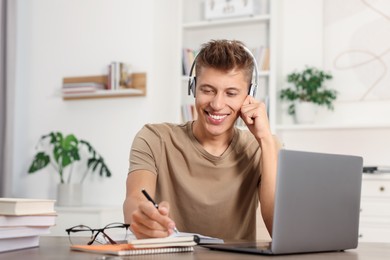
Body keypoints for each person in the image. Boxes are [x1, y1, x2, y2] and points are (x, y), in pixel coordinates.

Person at [123, 39, 279, 241]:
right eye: (207, 90)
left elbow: (279, 228)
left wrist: (265, 139)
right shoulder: (154, 139)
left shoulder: (264, 148)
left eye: (231, 93)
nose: (217, 104)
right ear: (193, 88)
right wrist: (142, 219)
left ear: (249, 96)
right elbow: (134, 200)